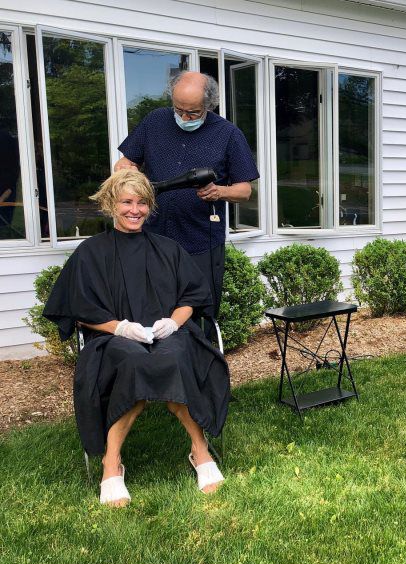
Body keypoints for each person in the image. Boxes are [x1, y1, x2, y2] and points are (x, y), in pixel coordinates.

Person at [43, 170, 230, 507]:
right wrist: (119, 328)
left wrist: (172, 323)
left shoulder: (168, 249)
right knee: (133, 362)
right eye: (126, 202)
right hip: (113, 339)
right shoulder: (91, 253)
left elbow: (191, 297)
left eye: (142, 202)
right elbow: (80, 308)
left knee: (174, 358)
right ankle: (111, 462)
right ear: (110, 204)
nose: (135, 210)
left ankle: (199, 450)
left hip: (167, 334)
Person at [114, 71, 259, 321]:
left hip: (200, 240)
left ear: (209, 105)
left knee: (199, 311)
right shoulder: (154, 121)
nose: (183, 117)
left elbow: (245, 190)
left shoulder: (228, 134)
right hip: (152, 235)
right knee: (149, 307)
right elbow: (126, 161)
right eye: (178, 109)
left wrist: (219, 191)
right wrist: (126, 169)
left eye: (192, 113)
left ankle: (201, 346)